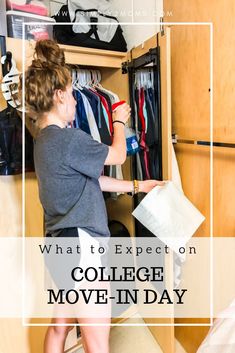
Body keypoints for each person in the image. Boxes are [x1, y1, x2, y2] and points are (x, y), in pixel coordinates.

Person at [21, 39, 164, 353]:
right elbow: (115, 155)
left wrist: (138, 186)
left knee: (60, 326)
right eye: (72, 93)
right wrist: (117, 120)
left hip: (59, 245)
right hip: (82, 245)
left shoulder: (42, 141)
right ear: (59, 96)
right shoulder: (69, 139)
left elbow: (91, 182)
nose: (75, 99)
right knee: (97, 339)